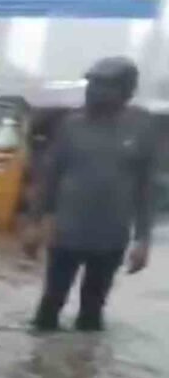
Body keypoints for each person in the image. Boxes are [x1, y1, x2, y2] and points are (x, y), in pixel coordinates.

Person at [25, 57, 156, 332]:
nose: (94, 90)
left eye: (105, 85)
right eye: (92, 83)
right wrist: (34, 225)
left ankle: (84, 369)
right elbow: (49, 179)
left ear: (126, 91)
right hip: (66, 235)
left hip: (111, 239)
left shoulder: (141, 128)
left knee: (92, 315)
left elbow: (145, 190)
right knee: (49, 309)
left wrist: (143, 240)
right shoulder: (70, 126)